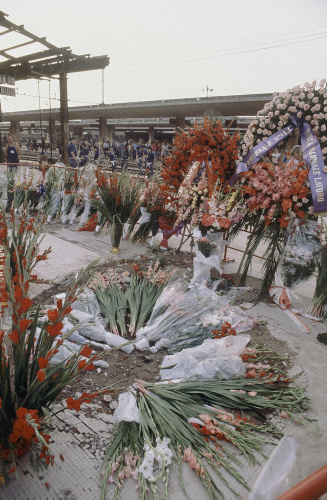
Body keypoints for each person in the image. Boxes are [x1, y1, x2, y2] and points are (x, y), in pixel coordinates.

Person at [5, 134, 21, 213]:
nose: (9, 140)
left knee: (16, 171)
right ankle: (11, 180)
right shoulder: (7, 145)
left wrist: (20, 156)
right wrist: (6, 159)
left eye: (10, 138)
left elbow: (19, 150)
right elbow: (6, 152)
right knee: (11, 171)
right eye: (8, 139)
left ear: (13, 139)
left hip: (15, 160)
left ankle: (16, 180)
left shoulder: (16, 144)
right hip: (10, 160)